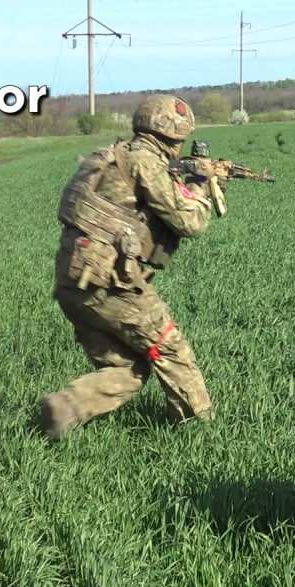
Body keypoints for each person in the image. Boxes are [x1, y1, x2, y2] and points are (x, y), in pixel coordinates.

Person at [39, 95, 220, 437]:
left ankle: (63, 408)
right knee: (168, 346)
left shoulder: (108, 156)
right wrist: (200, 189)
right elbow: (190, 222)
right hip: (111, 281)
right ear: (172, 136)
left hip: (72, 281)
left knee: (128, 369)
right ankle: (201, 431)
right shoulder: (144, 162)